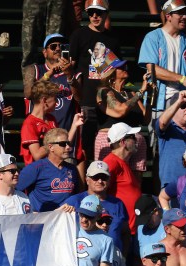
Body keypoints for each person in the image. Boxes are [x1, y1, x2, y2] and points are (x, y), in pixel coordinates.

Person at [138, 0, 186, 117]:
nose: (185, 17)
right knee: (160, 134)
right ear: (168, 16)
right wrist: (183, 79)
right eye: (180, 13)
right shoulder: (152, 37)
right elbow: (153, 70)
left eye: (185, 13)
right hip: (160, 103)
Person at [69, 0, 121, 159]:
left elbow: (118, 70)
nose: (94, 16)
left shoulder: (113, 39)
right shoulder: (79, 34)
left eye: (98, 12)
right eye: (91, 12)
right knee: (84, 148)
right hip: (86, 100)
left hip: (107, 101)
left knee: (107, 146)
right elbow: (72, 64)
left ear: (106, 13)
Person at [95, 60, 150, 170]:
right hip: (110, 139)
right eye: (121, 67)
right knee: (109, 174)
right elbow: (120, 111)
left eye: (125, 66)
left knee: (135, 179)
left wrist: (150, 95)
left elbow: (146, 119)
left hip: (135, 139)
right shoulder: (104, 91)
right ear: (111, 72)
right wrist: (141, 92)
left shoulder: (132, 94)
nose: (125, 68)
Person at [65, 160, 130, 252]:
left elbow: (125, 233)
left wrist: (123, 257)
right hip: (85, 258)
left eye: (104, 177)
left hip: (114, 259)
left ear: (109, 180)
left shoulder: (118, 203)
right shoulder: (74, 201)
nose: (100, 181)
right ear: (87, 180)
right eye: (95, 177)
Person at [23, 33, 81, 136]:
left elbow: (79, 98)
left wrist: (69, 75)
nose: (58, 49)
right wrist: (49, 74)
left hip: (67, 135)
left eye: (62, 46)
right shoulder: (34, 70)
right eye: (53, 46)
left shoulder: (75, 74)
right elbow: (28, 94)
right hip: (40, 133)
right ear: (45, 52)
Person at [16, 128, 81, 212]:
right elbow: (14, 190)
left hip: (65, 219)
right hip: (42, 219)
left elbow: (76, 194)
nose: (68, 147)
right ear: (51, 147)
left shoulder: (72, 169)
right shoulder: (35, 168)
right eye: (63, 144)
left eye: (68, 143)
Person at [21, 80, 84, 167]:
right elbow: (37, 155)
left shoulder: (51, 119)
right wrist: (55, 143)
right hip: (39, 173)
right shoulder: (29, 123)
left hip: (53, 170)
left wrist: (74, 125)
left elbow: (62, 142)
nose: (57, 102)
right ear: (44, 100)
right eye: (55, 99)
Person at [102, 123, 143, 235]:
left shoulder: (122, 162)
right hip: (121, 230)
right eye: (132, 137)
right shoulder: (111, 162)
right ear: (123, 142)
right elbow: (99, 191)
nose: (136, 140)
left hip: (130, 229)